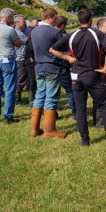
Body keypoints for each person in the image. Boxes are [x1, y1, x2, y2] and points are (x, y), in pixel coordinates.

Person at [51, 8, 106, 147]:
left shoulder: (72, 35)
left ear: (79, 20)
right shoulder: (97, 33)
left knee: (80, 109)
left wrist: (67, 58)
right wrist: (105, 69)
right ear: (91, 20)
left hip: (76, 76)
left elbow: (52, 49)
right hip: (93, 74)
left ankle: (85, 140)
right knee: (104, 106)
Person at [31, 8, 68, 138]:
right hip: (52, 67)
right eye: (55, 18)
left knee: (40, 95)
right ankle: (49, 130)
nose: (57, 20)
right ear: (49, 17)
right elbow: (64, 48)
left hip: (39, 67)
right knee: (51, 97)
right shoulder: (54, 32)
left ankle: (34, 129)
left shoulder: (34, 31)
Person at [0, 8, 22, 123]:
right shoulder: (9, 30)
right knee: (9, 89)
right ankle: (8, 115)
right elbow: (18, 44)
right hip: (7, 60)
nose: (13, 19)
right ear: (8, 17)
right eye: (12, 17)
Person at [54, 16, 76, 120]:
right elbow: (64, 50)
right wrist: (71, 58)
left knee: (52, 92)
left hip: (52, 67)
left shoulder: (50, 33)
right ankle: (75, 113)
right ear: (62, 25)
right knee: (70, 90)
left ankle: (52, 114)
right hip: (62, 67)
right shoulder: (61, 36)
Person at [94, 17, 106, 127]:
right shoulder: (99, 38)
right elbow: (104, 54)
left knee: (100, 96)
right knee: (104, 96)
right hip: (102, 71)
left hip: (101, 70)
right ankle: (100, 121)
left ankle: (99, 120)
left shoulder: (100, 37)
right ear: (100, 27)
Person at [13, 14, 29, 107]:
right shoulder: (16, 32)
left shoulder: (20, 31)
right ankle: (16, 101)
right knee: (20, 79)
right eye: (23, 21)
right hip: (20, 59)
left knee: (21, 78)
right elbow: (26, 41)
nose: (25, 23)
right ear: (18, 22)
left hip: (21, 58)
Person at [25, 37, 37, 107]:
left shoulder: (30, 41)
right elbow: (32, 51)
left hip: (30, 64)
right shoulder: (33, 41)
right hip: (33, 64)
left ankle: (32, 103)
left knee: (32, 85)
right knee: (39, 85)